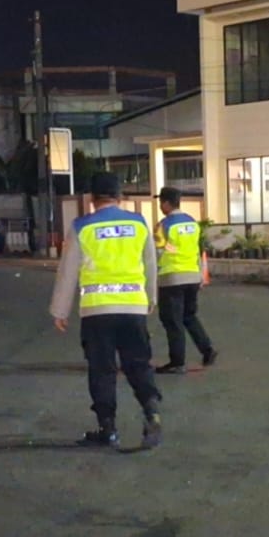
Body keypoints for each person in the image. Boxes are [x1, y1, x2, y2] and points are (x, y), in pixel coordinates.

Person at [49, 172, 164, 450]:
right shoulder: (138, 223)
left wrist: (60, 310)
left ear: (92, 198)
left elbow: (68, 271)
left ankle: (108, 429)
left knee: (102, 370)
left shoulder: (82, 226)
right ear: (119, 196)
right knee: (138, 363)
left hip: (97, 311)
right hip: (133, 307)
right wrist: (150, 297)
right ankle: (152, 412)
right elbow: (149, 263)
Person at [152, 186, 218, 374]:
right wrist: (200, 274)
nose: (160, 206)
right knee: (189, 316)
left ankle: (177, 362)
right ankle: (207, 349)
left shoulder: (163, 225)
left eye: (161, 202)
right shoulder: (192, 223)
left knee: (172, 321)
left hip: (172, 277)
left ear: (166, 203)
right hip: (192, 276)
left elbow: (158, 251)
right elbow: (197, 250)